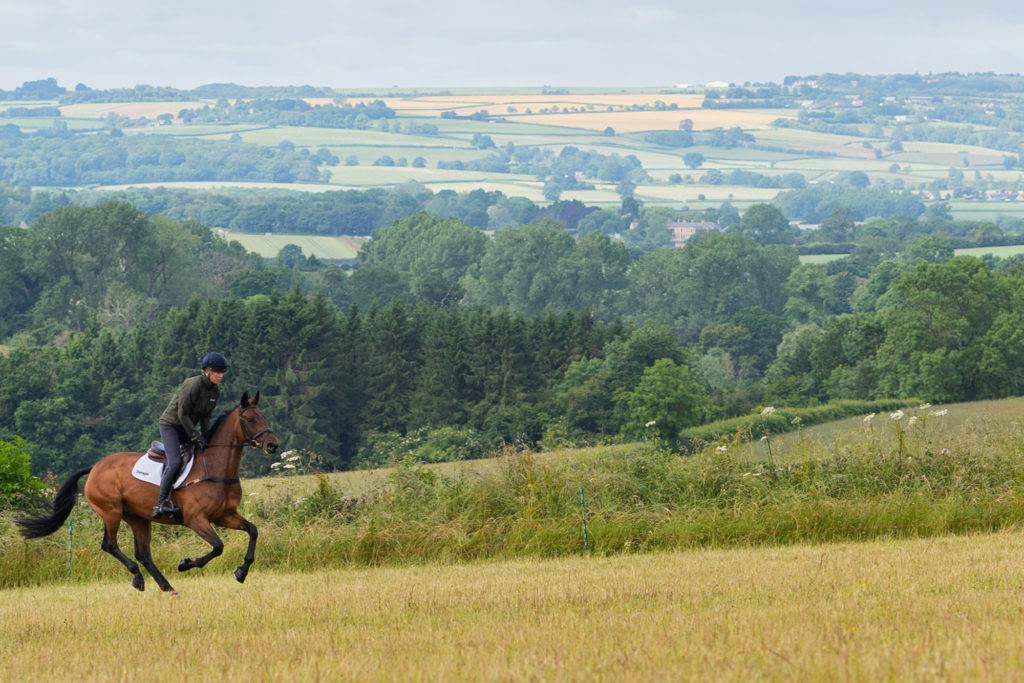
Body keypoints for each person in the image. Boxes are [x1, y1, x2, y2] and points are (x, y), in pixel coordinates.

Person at [152, 352, 228, 518]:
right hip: (171, 426)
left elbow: (205, 417)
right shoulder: (192, 384)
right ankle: (159, 504)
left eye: (223, 372)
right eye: (218, 372)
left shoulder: (215, 392)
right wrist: (195, 436)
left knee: (201, 455)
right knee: (175, 462)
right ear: (207, 371)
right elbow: (182, 414)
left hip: (186, 428)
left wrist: (206, 437)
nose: (221, 376)